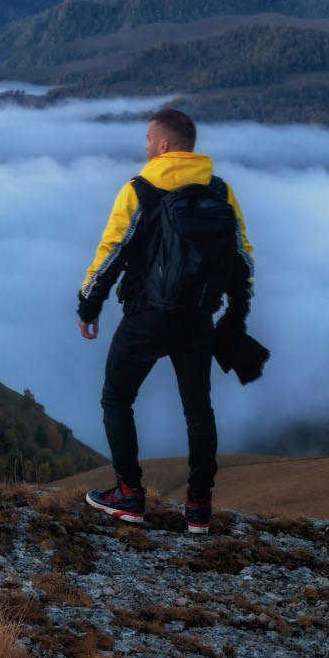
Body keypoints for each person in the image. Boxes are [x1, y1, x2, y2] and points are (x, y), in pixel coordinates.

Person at [77, 106, 253, 535]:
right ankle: (198, 508)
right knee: (198, 410)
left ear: (163, 145)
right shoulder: (220, 190)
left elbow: (112, 252)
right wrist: (232, 313)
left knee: (117, 399)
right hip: (198, 320)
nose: (145, 146)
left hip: (146, 317)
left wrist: (88, 305)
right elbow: (242, 258)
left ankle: (129, 496)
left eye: (148, 139)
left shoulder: (139, 189)